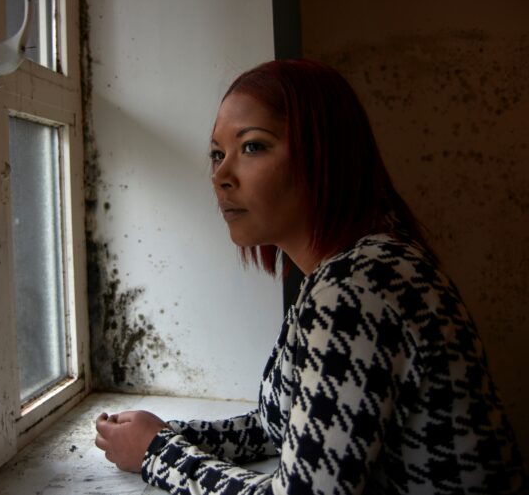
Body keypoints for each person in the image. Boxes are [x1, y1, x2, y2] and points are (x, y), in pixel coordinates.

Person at [94, 59, 526, 494]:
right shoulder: (347, 268)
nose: (221, 176)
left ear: (325, 154)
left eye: (253, 146)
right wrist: (165, 433)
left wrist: (157, 454)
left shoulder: (360, 288)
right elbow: (276, 422)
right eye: (216, 154)